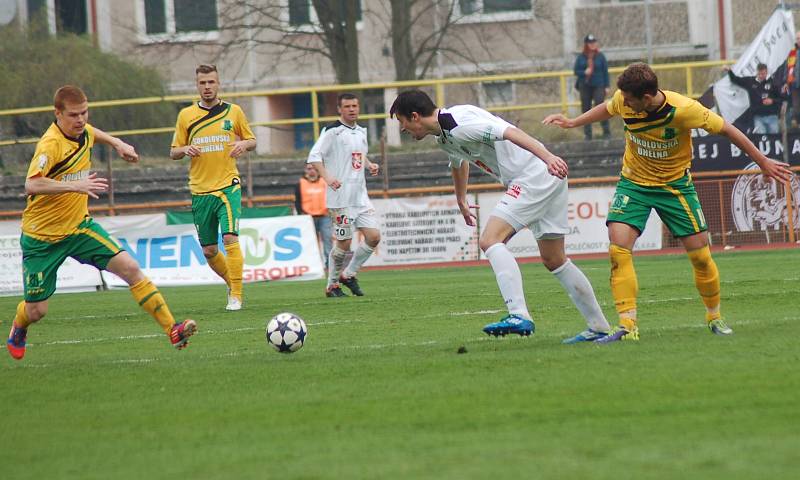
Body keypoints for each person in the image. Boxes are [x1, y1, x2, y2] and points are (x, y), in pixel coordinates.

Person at [543, 62, 794, 343]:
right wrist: (573, 122)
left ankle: (714, 316)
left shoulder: (684, 110)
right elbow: (608, 107)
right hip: (634, 184)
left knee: (700, 256)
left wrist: (761, 161)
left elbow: (727, 130)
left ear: (647, 98)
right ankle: (628, 324)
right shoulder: (624, 100)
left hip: (675, 187)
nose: (623, 103)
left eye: (629, 99)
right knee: (618, 248)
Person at [389, 90, 612, 343]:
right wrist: (461, 198)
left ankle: (518, 314)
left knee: (490, 240)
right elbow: (458, 162)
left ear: (415, 116)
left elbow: (510, 132)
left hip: (532, 176)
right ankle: (599, 327)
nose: (403, 129)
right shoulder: (444, 134)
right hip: (544, 177)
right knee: (554, 259)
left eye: (402, 122)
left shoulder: (459, 124)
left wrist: (549, 157)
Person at [6, 85, 196, 360]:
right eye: (73, 115)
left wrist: (118, 144)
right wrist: (76, 186)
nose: (80, 119)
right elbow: (31, 184)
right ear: (57, 113)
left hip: (79, 229)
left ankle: (173, 330)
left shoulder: (83, 131)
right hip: (41, 238)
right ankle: (19, 326)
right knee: (37, 311)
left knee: (130, 268)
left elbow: (93, 132)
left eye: (84, 112)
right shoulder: (50, 145)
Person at [170, 64, 256, 311]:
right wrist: (184, 149)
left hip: (228, 185)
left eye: (211, 82)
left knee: (230, 236)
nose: (207, 87)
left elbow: (251, 139)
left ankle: (236, 296)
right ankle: (232, 281)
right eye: (202, 83)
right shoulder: (186, 115)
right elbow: (173, 151)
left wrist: (244, 145)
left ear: (218, 84)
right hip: (200, 190)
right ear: (197, 85)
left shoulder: (234, 111)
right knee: (209, 250)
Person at [307, 93, 380, 298]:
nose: (352, 109)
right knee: (344, 243)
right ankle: (332, 286)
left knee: (374, 237)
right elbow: (314, 157)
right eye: (347, 106)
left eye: (355, 105)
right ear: (339, 109)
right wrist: (328, 178)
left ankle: (348, 274)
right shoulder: (332, 131)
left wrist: (369, 164)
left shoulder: (361, 132)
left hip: (360, 196)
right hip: (339, 199)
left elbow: (358, 155)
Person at [725, 63, 783, 134]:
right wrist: (729, 71)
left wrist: (772, 101)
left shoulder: (773, 82)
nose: (761, 76)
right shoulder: (750, 81)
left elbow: (781, 98)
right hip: (758, 117)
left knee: (773, 137)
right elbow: (736, 80)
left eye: (763, 74)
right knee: (760, 136)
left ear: (767, 72)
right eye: (760, 74)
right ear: (757, 72)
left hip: (772, 116)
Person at [294, 163, 333, 269]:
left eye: (314, 168)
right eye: (309, 168)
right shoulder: (300, 183)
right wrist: (300, 214)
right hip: (308, 217)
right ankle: (314, 263)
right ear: (305, 170)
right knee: (311, 242)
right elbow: (297, 201)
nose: (312, 171)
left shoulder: (324, 181)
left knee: (328, 239)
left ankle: (329, 263)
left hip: (324, 215)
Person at [573, 34, 611, 140]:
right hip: (585, 86)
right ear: (586, 45)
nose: (593, 45)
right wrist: (584, 72)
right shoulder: (581, 57)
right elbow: (576, 71)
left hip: (599, 85)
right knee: (586, 108)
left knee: (601, 106)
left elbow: (605, 71)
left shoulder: (600, 56)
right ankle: (588, 134)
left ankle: (606, 132)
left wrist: (607, 85)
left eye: (594, 42)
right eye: (590, 43)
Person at [782, 32, 800, 128]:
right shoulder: (792, 53)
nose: (798, 40)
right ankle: (795, 123)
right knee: (795, 106)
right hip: (794, 83)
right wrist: (785, 82)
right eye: (797, 38)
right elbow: (787, 68)